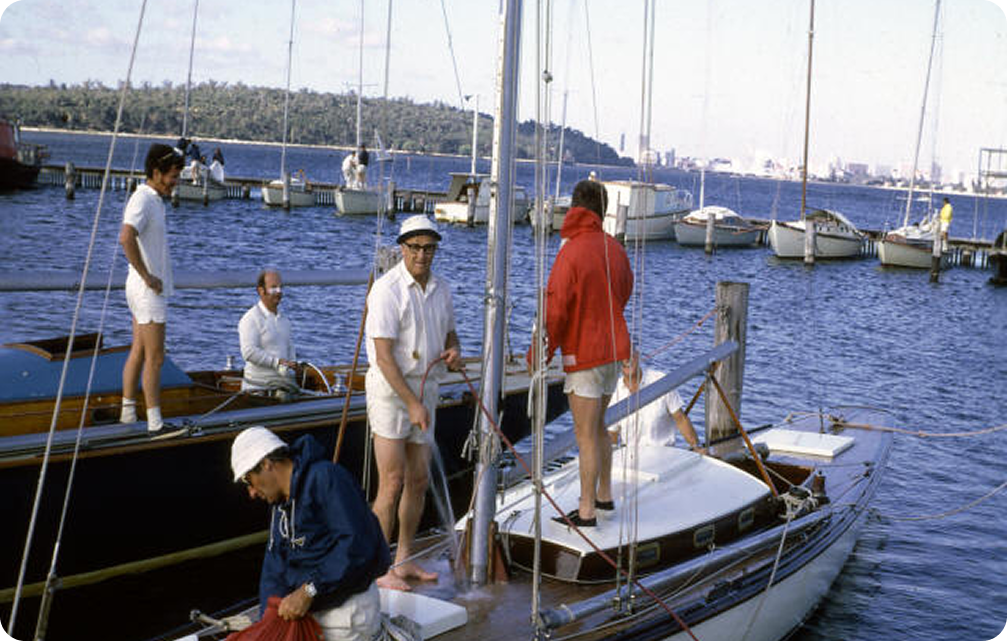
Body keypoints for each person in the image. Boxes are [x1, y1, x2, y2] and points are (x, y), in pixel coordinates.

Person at [364, 214, 462, 590]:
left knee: (418, 480)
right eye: (415, 247)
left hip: (426, 390)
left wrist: (453, 350)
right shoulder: (386, 290)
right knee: (391, 481)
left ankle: (403, 559)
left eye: (429, 248)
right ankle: (378, 566)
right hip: (391, 394)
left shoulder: (442, 288)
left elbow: (451, 333)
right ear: (402, 249)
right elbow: (385, 358)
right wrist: (412, 403)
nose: (422, 255)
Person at [533, 179, 633, 527]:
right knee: (600, 427)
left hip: (584, 353)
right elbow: (625, 290)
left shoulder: (571, 251)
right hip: (612, 351)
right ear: (602, 211)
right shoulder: (615, 249)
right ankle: (604, 495)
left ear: (574, 208)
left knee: (585, 433)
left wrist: (540, 354)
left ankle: (586, 509)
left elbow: (556, 309)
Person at [230, 426, 390, 641]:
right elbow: (274, 566)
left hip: (346, 613)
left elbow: (357, 545)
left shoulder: (327, 478)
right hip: (310, 612)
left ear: (267, 464)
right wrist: (267, 622)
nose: (251, 492)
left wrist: (309, 590)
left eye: (248, 480)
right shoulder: (280, 505)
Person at [119, 143, 184, 432]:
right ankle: (155, 422)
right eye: (172, 175)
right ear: (156, 172)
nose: (176, 182)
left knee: (139, 351)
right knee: (155, 357)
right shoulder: (143, 199)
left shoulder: (153, 199)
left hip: (140, 288)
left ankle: (128, 413)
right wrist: (147, 276)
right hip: (148, 291)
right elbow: (125, 237)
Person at [608, 352, 705, 454]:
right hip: (631, 458)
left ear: (637, 355)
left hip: (664, 456)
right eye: (621, 357)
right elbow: (612, 435)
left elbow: (680, 418)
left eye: (630, 355)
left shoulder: (661, 381)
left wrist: (696, 447)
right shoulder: (615, 393)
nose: (626, 360)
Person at [238, 269, 300, 396]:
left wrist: (293, 364)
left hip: (284, 387)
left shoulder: (285, 321)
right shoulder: (250, 318)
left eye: (280, 287)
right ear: (261, 291)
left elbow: (290, 350)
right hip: (257, 389)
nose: (278, 292)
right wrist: (277, 363)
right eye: (273, 287)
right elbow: (248, 352)